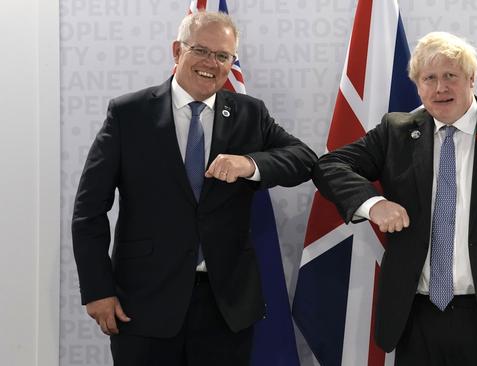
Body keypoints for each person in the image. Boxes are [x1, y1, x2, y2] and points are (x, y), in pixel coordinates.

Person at [71, 11, 316, 365]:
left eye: (222, 56)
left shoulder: (250, 113)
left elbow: (305, 160)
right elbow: (89, 211)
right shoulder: (129, 114)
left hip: (226, 307)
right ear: (176, 51)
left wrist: (250, 164)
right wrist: (97, 291)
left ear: (232, 62)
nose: (211, 63)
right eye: (201, 50)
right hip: (143, 303)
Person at [312, 31, 477, 365]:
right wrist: (374, 204)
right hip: (416, 318)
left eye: (450, 76)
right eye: (429, 78)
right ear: (417, 85)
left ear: (471, 79)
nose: (439, 88)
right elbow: (329, 165)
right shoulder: (397, 132)